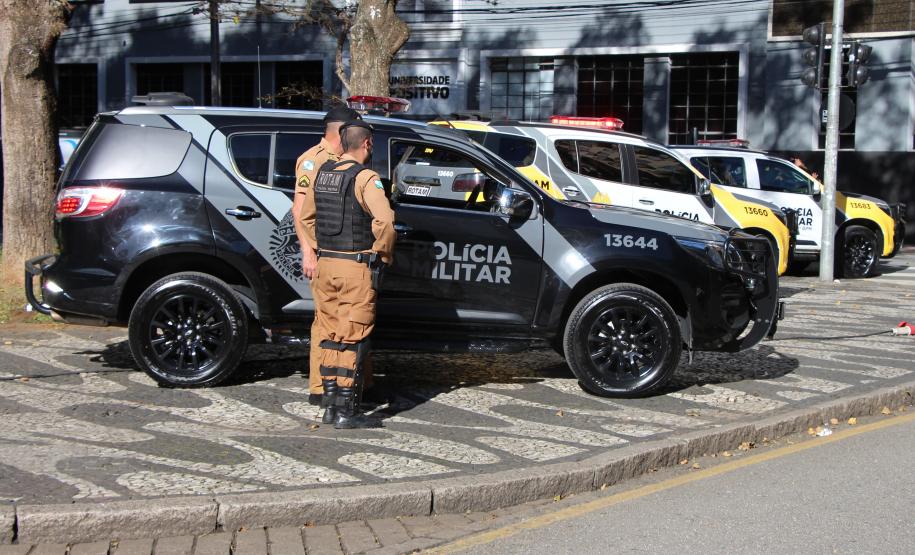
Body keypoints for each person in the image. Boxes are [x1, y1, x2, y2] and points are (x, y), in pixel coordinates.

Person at [300, 119, 396, 429]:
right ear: (367, 144)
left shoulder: (323, 174)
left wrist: (318, 249)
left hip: (325, 265)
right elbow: (384, 222)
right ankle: (346, 412)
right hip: (354, 267)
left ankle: (329, 406)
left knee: (329, 335)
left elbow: (306, 218)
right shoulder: (366, 178)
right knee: (352, 337)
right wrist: (383, 254)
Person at [292, 106, 365, 406]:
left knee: (354, 320)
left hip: (348, 252)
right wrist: (308, 252)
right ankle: (322, 387)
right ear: (341, 131)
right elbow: (300, 212)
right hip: (325, 254)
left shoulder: (345, 159)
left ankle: (355, 383)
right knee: (326, 322)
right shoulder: (314, 160)